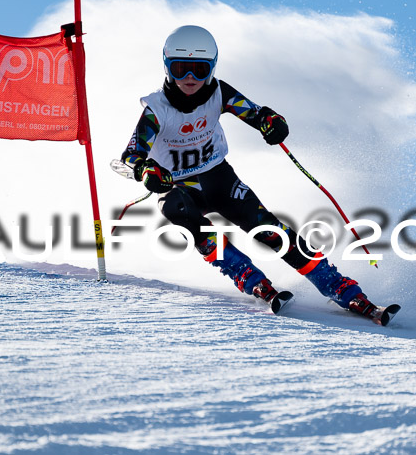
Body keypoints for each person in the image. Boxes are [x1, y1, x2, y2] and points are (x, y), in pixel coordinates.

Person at [120, 25, 378, 318]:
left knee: (267, 229)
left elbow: (255, 113)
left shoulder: (219, 92)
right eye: (180, 69)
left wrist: (272, 121)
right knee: (174, 207)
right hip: (180, 186)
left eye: (200, 70)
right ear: (167, 67)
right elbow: (131, 155)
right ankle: (246, 275)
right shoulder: (158, 108)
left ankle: (339, 287)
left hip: (218, 178)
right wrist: (146, 169)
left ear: (212, 68)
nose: (190, 78)